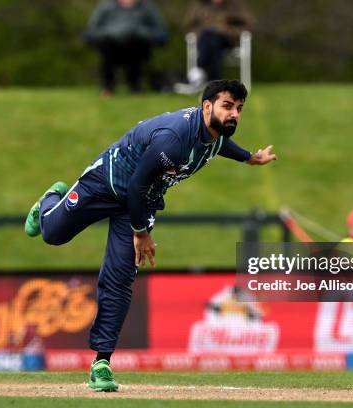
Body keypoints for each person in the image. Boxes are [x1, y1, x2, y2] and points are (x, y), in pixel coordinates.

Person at [24, 79, 276, 391]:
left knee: (120, 278)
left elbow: (220, 144)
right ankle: (50, 200)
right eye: (227, 106)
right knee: (53, 234)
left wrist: (249, 157)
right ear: (207, 106)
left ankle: (101, 362)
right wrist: (141, 233)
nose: (234, 114)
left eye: (239, 109)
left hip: (141, 199)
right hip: (107, 184)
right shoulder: (174, 139)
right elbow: (136, 186)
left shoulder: (213, 132)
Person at [84, 0, 168, 95]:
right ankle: (107, 87)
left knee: (134, 43)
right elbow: (92, 31)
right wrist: (110, 34)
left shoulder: (147, 7)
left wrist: (138, 32)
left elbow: (160, 32)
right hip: (111, 45)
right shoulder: (106, 6)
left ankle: (135, 86)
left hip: (137, 46)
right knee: (107, 45)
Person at [185, 0, 254, 85]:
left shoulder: (234, 6)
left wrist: (229, 31)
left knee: (211, 37)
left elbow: (248, 26)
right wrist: (198, 33)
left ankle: (198, 70)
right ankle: (216, 83)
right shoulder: (201, 6)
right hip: (205, 41)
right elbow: (190, 25)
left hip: (227, 40)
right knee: (211, 40)